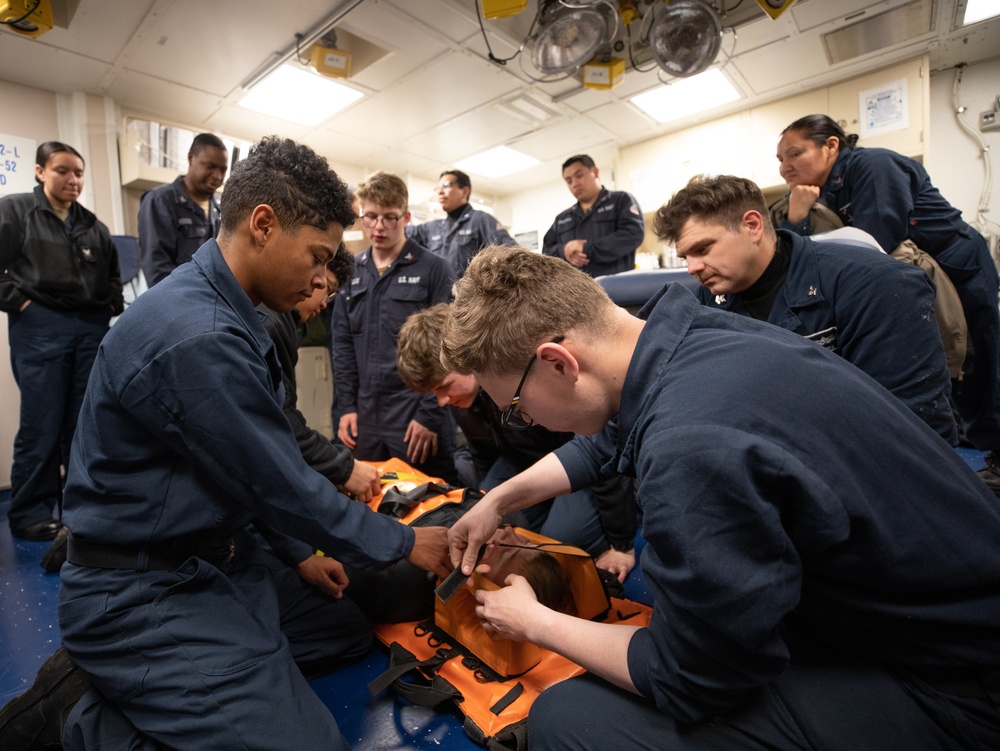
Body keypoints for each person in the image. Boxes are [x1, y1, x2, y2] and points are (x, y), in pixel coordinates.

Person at [441, 246, 1000, 750]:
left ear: (559, 362)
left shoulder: (690, 446)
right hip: (946, 607)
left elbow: (691, 678)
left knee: (568, 717)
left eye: (515, 405)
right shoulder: (699, 337)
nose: (526, 420)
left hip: (953, 685)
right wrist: (499, 500)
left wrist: (534, 621)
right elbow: (608, 437)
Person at [0, 137, 451, 751]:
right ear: (263, 225)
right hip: (142, 595)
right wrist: (405, 543)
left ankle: (197, 685)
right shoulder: (200, 335)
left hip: (215, 558)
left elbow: (242, 474)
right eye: (317, 259)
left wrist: (297, 553)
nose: (322, 280)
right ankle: (84, 714)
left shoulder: (234, 315)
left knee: (340, 632)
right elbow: (278, 482)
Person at [775, 114, 1000, 487]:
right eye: (780, 160)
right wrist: (798, 216)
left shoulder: (873, 165)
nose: (785, 167)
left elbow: (873, 239)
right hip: (917, 270)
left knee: (980, 357)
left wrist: (800, 220)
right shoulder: (821, 191)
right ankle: (978, 441)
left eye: (794, 154)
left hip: (955, 263)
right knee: (951, 365)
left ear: (831, 145)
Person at [654, 174, 957, 445]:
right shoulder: (704, 304)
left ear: (752, 226)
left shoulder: (874, 284)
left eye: (703, 249)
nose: (692, 267)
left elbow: (916, 426)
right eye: (685, 257)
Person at [397, 302, 637, 582]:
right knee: (485, 516)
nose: (442, 401)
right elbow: (482, 453)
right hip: (521, 459)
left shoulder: (518, 380)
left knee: (561, 541)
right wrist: (487, 500)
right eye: (433, 393)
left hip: (574, 461)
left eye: (444, 387)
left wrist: (622, 544)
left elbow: (597, 451)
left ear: (463, 362)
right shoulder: (464, 398)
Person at [0, 141, 124, 542]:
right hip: (39, 325)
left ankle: (80, 510)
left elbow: (112, 279)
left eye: (79, 173)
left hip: (89, 328)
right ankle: (30, 514)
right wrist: (20, 304)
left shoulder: (93, 226)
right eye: (63, 171)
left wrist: (108, 308)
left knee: (85, 424)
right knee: (42, 423)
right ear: (40, 172)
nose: (73, 180)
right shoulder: (15, 211)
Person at [332, 171, 457, 483]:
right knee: (368, 497)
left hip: (415, 411)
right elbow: (342, 345)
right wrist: (346, 406)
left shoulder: (434, 269)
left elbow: (450, 346)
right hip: (364, 414)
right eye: (371, 216)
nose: (379, 226)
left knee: (428, 498)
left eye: (390, 217)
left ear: (406, 218)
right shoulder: (351, 273)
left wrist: (430, 414)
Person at [259, 244, 381, 503]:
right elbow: (280, 420)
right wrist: (342, 467)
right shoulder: (271, 322)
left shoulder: (287, 323)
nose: (325, 303)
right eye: (329, 287)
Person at [138, 132, 228, 286]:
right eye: (211, 167)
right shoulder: (159, 200)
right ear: (191, 158)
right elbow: (158, 271)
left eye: (223, 170)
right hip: (178, 301)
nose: (217, 176)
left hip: (213, 300)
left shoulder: (221, 207)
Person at [542, 154, 645, 278]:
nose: (574, 184)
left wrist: (587, 249)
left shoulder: (621, 200)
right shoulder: (562, 219)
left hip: (618, 288)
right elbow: (546, 253)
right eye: (569, 180)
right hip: (577, 292)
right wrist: (564, 251)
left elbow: (633, 234)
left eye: (579, 176)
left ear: (595, 172)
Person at [406, 169, 516, 279]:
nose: (440, 191)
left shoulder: (481, 220)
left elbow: (513, 255)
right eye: (437, 188)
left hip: (467, 295)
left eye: (446, 185)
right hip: (438, 294)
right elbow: (402, 233)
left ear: (464, 191)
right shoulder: (433, 228)